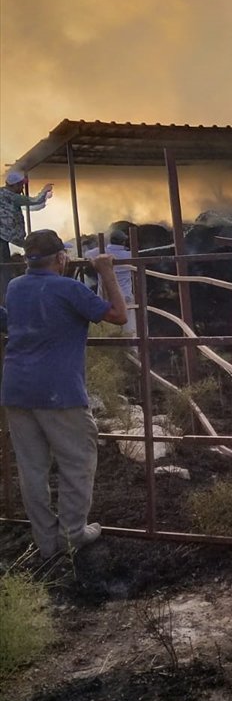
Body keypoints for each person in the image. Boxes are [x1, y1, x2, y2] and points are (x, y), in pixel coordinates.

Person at [0, 228, 128, 559]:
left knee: (32, 468)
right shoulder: (68, 288)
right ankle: (72, 537)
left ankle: (45, 542)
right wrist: (106, 271)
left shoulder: (15, 287)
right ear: (61, 257)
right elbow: (118, 316)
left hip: (16, 389)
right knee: (77, 462)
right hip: (59, 391)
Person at [0, 169, 53, 300]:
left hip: (4, 236)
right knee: (4, 268)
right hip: (3, 236)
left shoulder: (3, 194)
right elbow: (34, 201)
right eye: (21, 185)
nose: (22, 187)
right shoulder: (11, 196)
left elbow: (34, 206)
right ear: (14, 185)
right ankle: (6, 297)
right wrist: (45, 191)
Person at [85, 229, 137, 335]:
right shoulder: (129, 255)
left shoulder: (98, 253)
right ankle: (131, 350)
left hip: (104, 297)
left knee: (106, 331)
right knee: (129, 330)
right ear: (123, 242)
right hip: (125, 296)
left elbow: (87, 254)